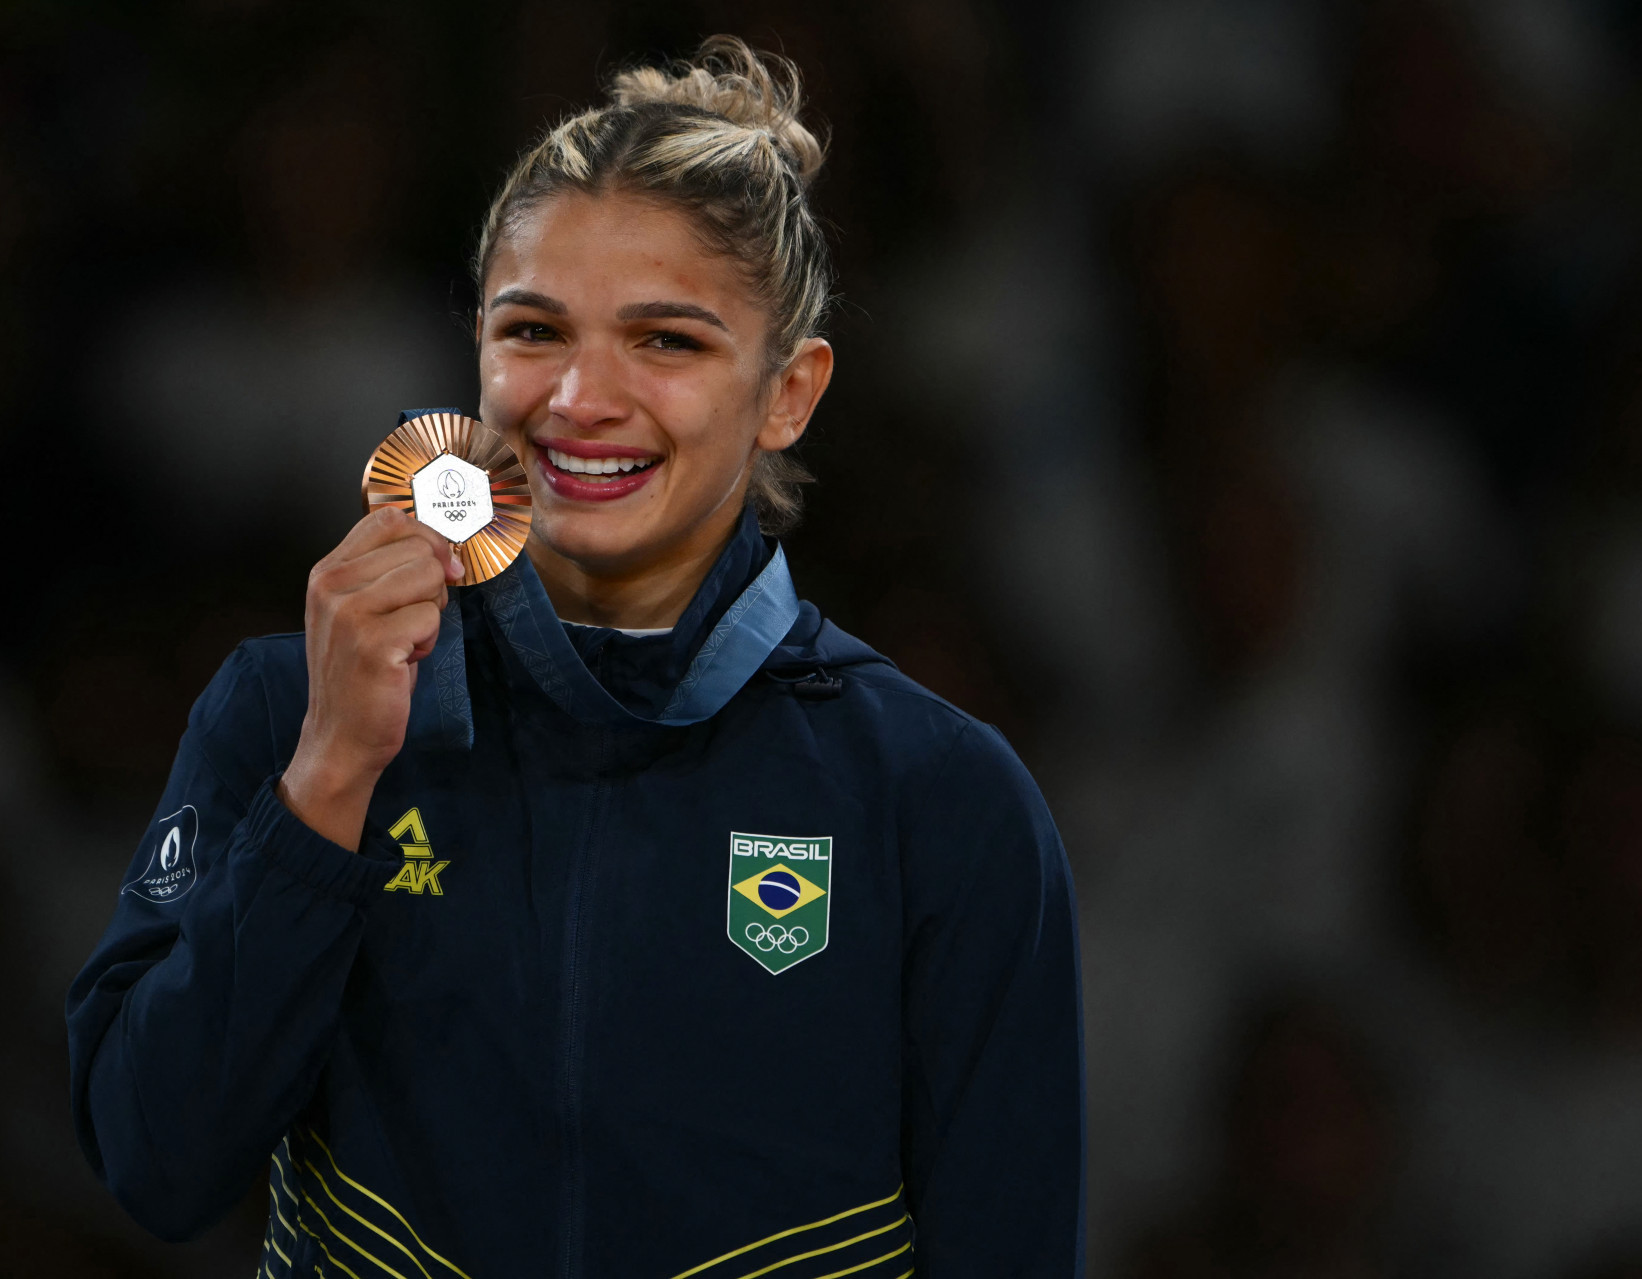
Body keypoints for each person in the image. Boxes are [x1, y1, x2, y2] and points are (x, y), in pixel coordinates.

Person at [67, 37, 1084, 1278]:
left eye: (667, 342)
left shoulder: (938, 799)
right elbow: (156, 1164)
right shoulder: (290, 711)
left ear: (788, 392)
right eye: (535, 330)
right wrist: (329, 777)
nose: (581, 399)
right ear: (477, 356)